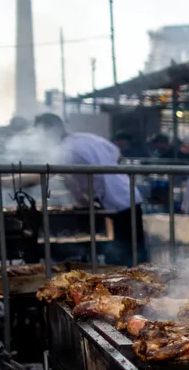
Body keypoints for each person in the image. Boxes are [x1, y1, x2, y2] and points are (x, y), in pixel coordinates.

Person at [33, 113, 147, 266]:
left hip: (115, 202)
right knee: (135, 251)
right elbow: (117, 155)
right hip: (129, 193)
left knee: (121, 256)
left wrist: (83, 200)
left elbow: (67, 181)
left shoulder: (64, 149)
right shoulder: (87, 138)